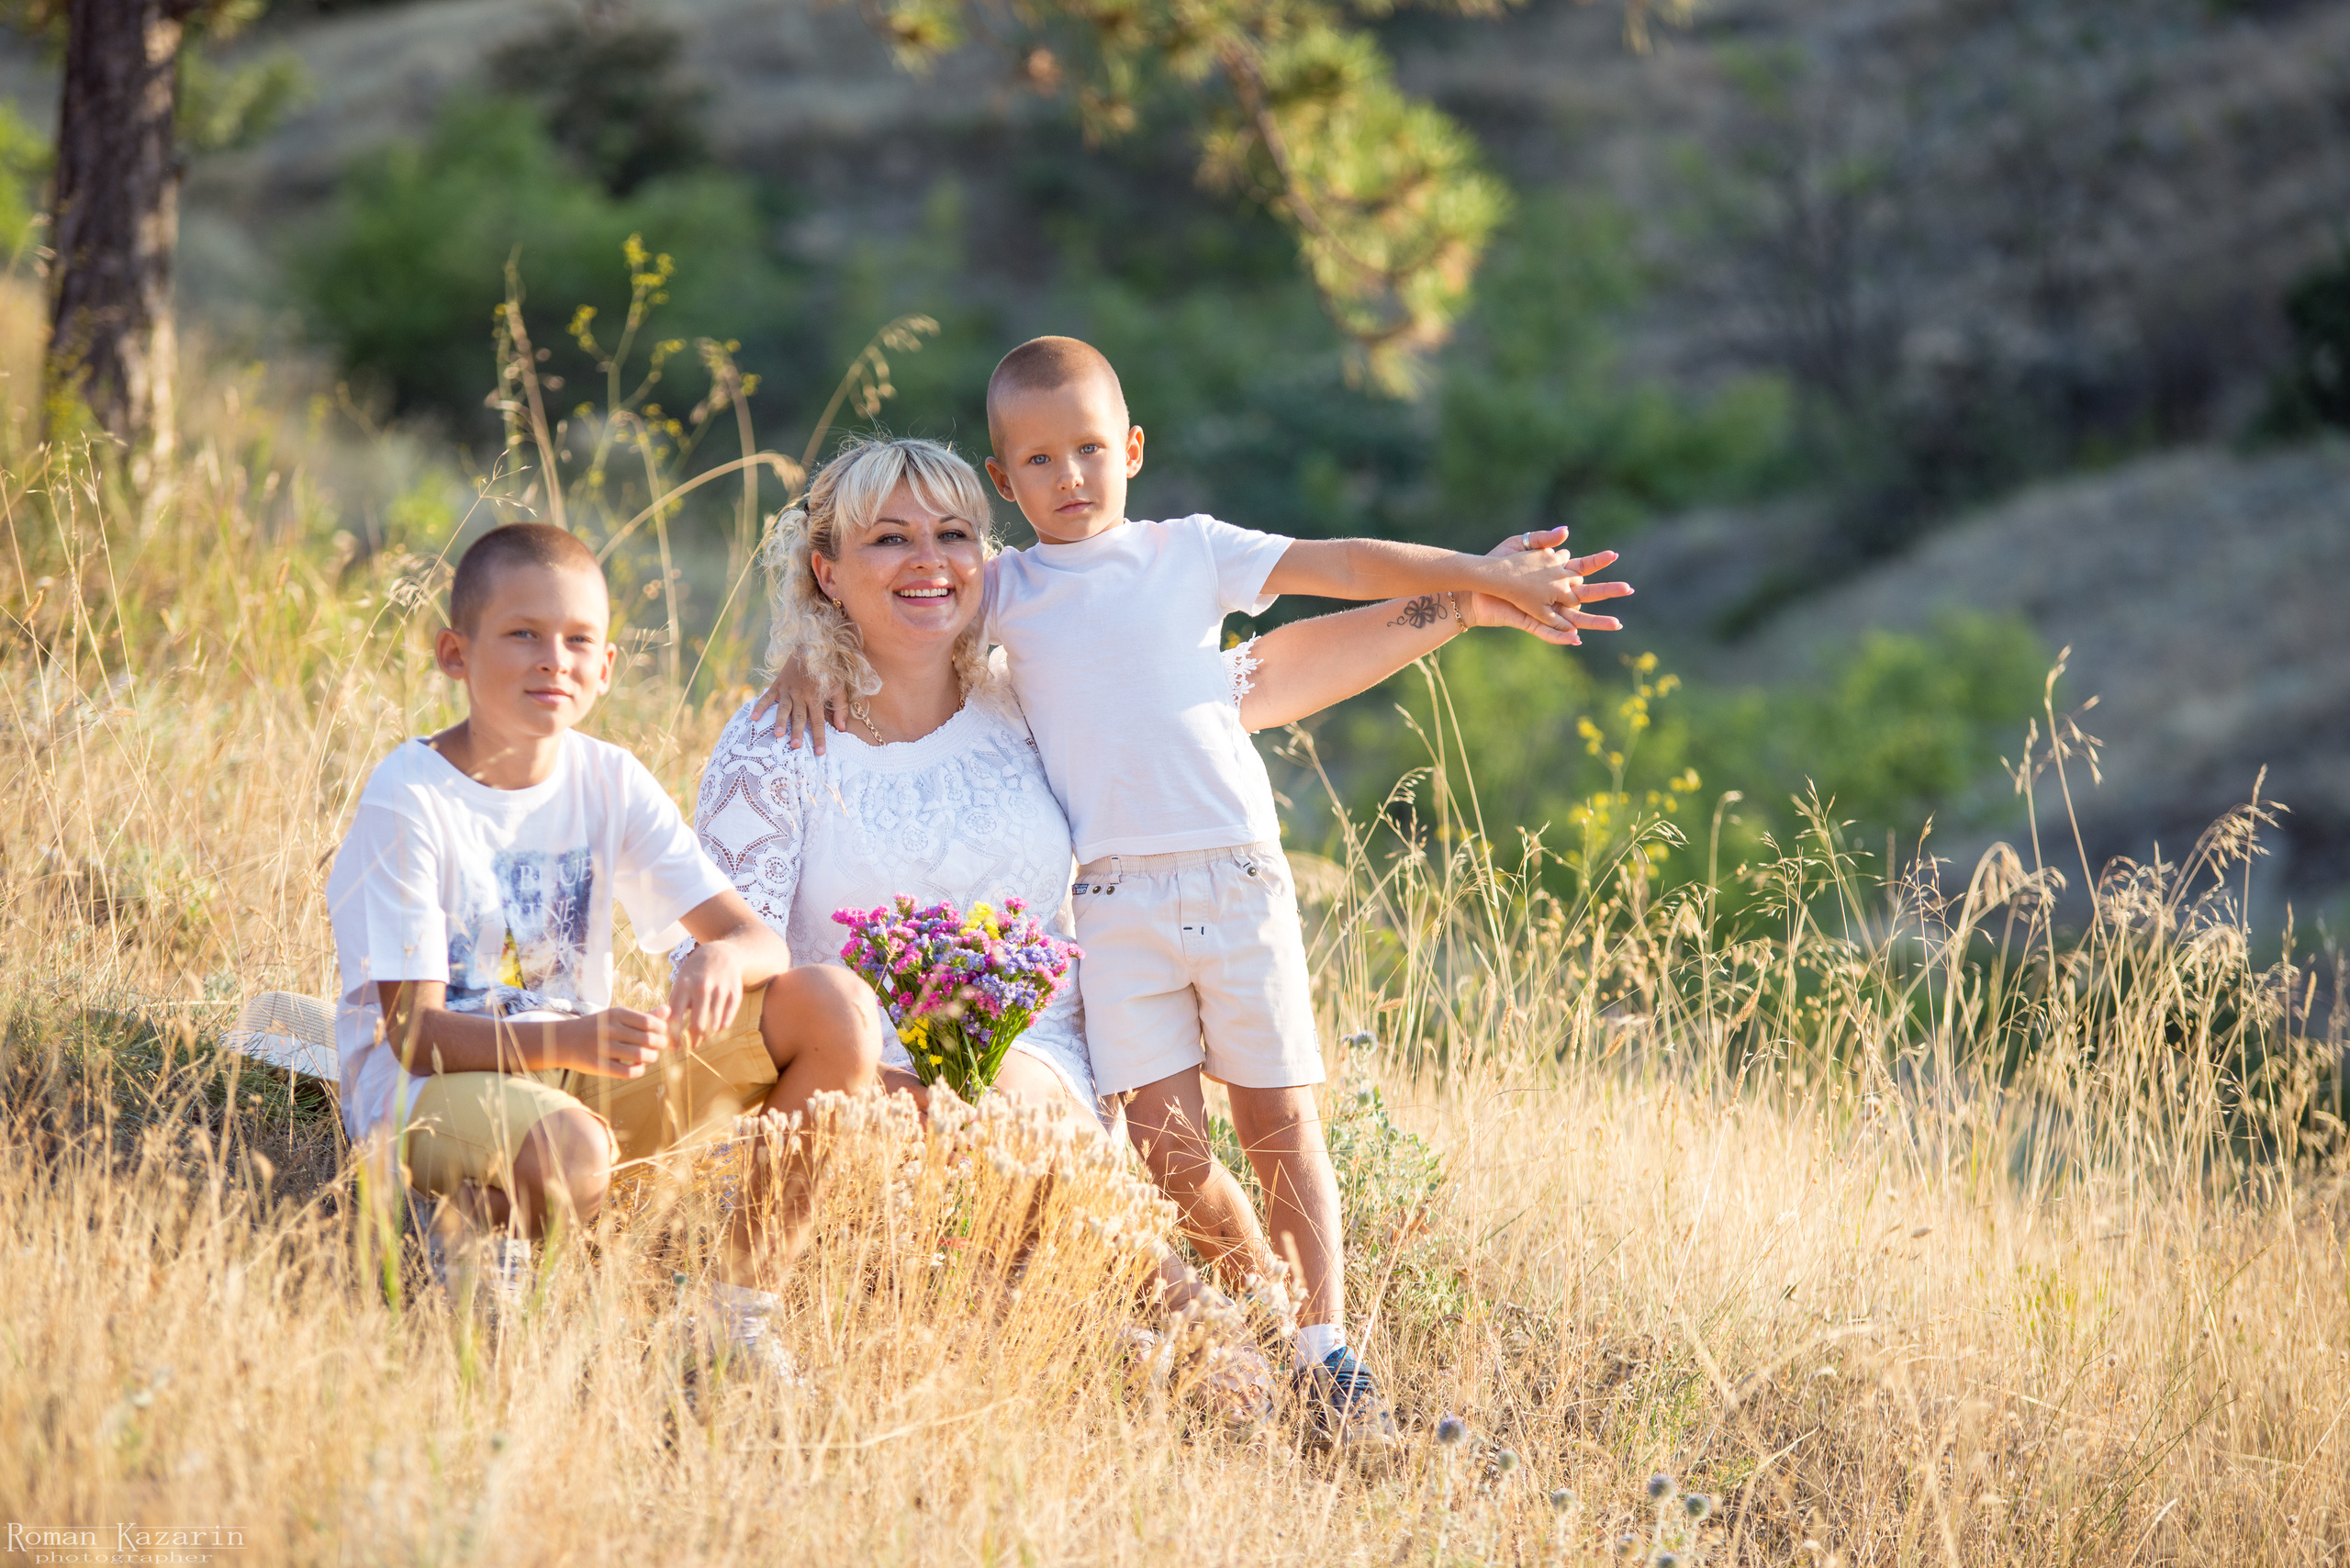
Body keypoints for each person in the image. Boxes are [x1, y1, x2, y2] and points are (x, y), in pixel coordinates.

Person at [759, 342, 1629, 1465]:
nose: (1070, 476)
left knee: (1278, 1120)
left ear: (1130, 449)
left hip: (1233, 872)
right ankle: (1255, 1315)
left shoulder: (1186, 554)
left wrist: (1473, 585)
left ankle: (1324, 1347)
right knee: (1164, 1147)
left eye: (1089, 449)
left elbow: (1308, 606)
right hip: (1112, 906)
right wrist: (806, 662)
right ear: (1007, 477)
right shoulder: (1005, 591)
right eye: (1039, 460)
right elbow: (892, 618)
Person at [322, 521, 883, 1377]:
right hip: (432, 1092)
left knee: (833, 1008)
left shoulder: (608, 777)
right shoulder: (413, 796)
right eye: (523, 635)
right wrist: (575, 1042)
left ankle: (733, 1319)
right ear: (453, 653)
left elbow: (753, 935)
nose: (555, 660)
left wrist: (721, 958)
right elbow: (415, 1035)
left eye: (579, 640)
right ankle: (474, 1244)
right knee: (574, 1151)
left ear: (608, 667)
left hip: (573, 1083)